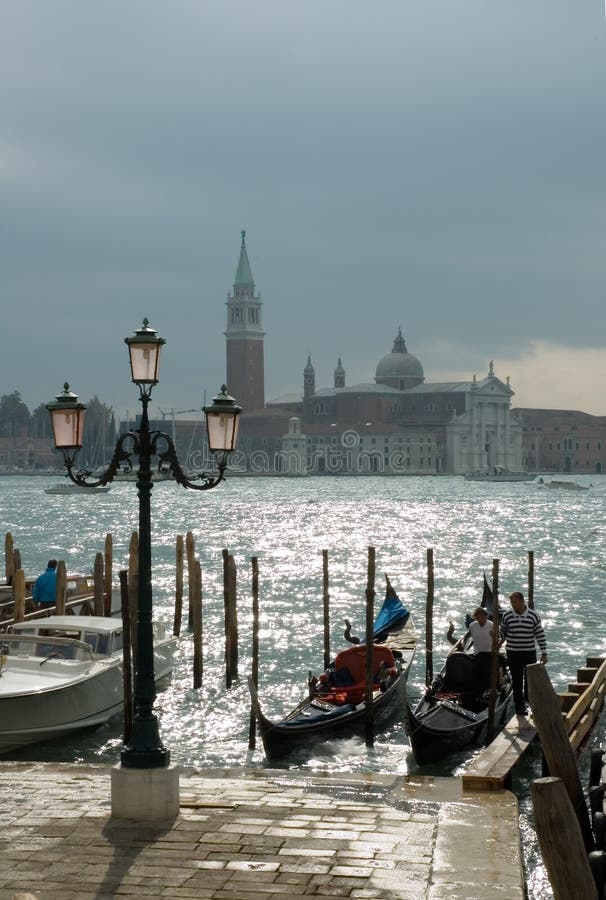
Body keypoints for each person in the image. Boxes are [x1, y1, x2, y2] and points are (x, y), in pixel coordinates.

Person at [500, 591, 547, 715]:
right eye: (511, 602)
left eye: (515, 602)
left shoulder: (533, 615)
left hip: (529, 652)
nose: (513, 605)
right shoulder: (507, 616)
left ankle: (529, 702)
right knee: (516, 681)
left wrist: (544, 653)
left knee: (529, 680)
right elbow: (502, 633)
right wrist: (497, 643)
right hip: (513, 652)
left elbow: (539, 635)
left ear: (522, 601)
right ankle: (519, 708)